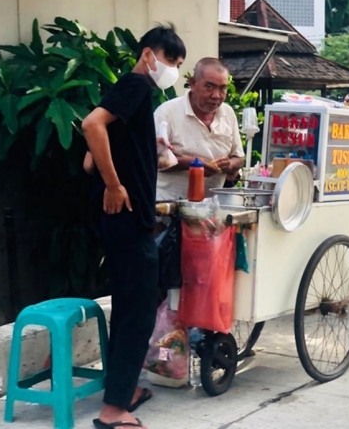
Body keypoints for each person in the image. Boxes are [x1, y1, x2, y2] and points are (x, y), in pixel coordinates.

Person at [82, 24, 186, 429]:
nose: (172, 71)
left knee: (127, 308)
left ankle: (124, 392)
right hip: (130, 222)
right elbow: (93, 125)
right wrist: (115, 185)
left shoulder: (132, 95)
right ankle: (113, 412)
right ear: (149, 55)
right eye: (171, 61)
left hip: (121, 221)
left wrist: (140, 160)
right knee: (139, 312)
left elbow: (91, 154)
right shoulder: (138, 85)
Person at [154, 58, 244, 201]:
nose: (216, 95)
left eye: (222, 88)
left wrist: (229, 165)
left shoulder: (228, 113)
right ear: (193, 84)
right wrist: (191, 163)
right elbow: (154, 159)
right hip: (167, 206)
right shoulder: (167, 113)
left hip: (212, 207)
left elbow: (239, 157)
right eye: (209, 87)